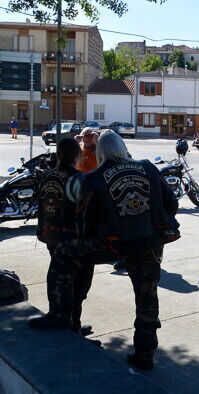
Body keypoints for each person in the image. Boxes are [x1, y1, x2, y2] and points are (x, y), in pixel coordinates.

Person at [30, 132, 179, 370]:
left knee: (64, 254)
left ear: (99, 153)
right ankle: (145, 352)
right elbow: (172, 203)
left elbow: (85, 221)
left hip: (112, 244)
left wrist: (92, 241)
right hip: (148, 242)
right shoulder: (148, 168)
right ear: (123, 148)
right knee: (147, 298)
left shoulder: (94, 178)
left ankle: (60, 314)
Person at [36, 138, 94, 337]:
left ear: (59, 155)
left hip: (51, 236)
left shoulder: (48, 176)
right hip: (72, 241)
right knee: (78, 285)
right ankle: (70, 326)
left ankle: (69, 322)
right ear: (78, 155)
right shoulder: (78, 179)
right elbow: (87, 212)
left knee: (59, 279)